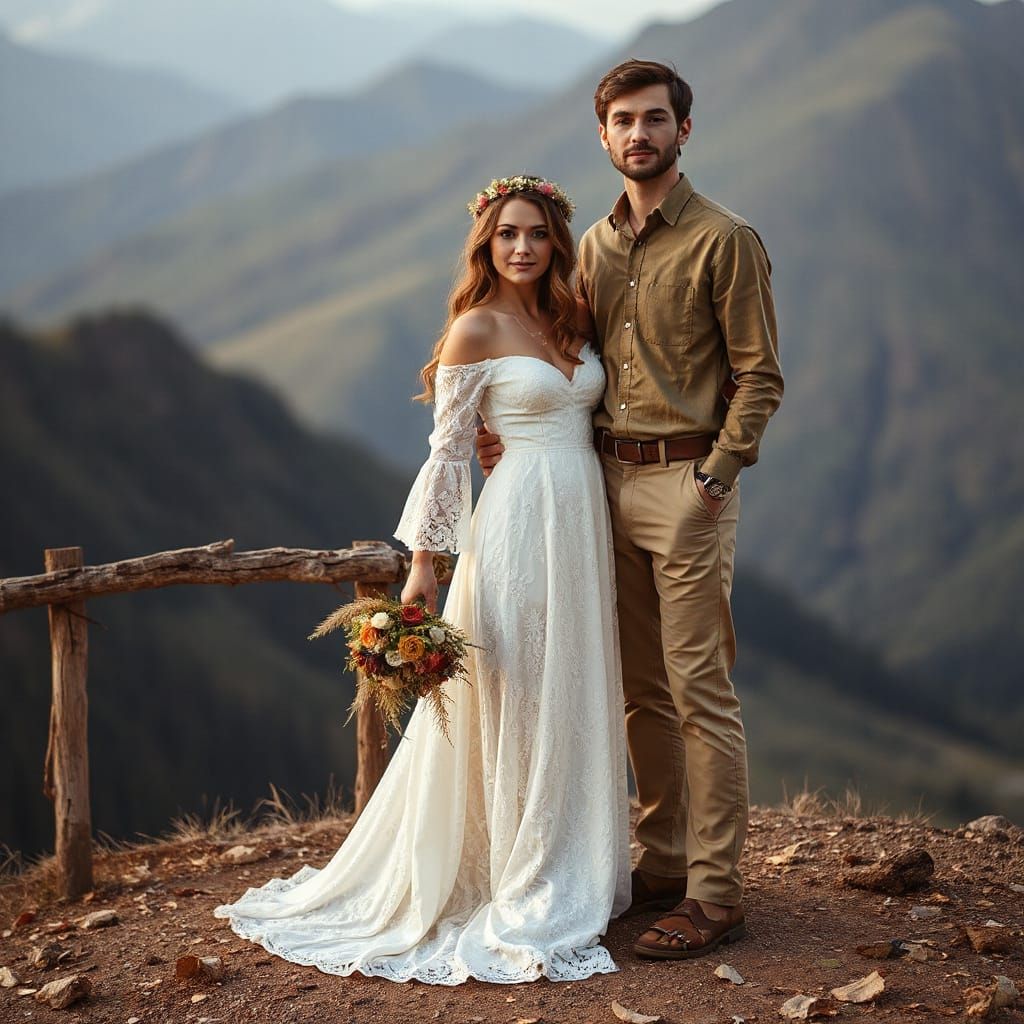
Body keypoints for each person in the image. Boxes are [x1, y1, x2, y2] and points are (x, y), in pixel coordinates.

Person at [213, 174, 631, 984]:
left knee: (574, 683)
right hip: (516, 528)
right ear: (486, 243)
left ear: (556, 242)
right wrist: (425, 575)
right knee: (524, 688)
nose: (521, 247)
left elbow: (589, 411)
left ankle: (582, 864)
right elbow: (445, 460)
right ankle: (525, 873)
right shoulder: (474, 329)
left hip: (582, 522)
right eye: (507, 234)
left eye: (536, 234)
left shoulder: (573, 316)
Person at [477, 60, 783, 960]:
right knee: (640, 693)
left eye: (655, 119)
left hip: (688, 486)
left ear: (684, 131)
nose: (639, 133)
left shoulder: (727, 240)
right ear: (604, 137)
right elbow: (558, 350)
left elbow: (759, 376)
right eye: (623, 121)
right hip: (599, 485)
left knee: (700, 693)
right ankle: (661, 868)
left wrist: (717, 480)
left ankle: (717, 894)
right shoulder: (596, 252)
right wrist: (501, 427)